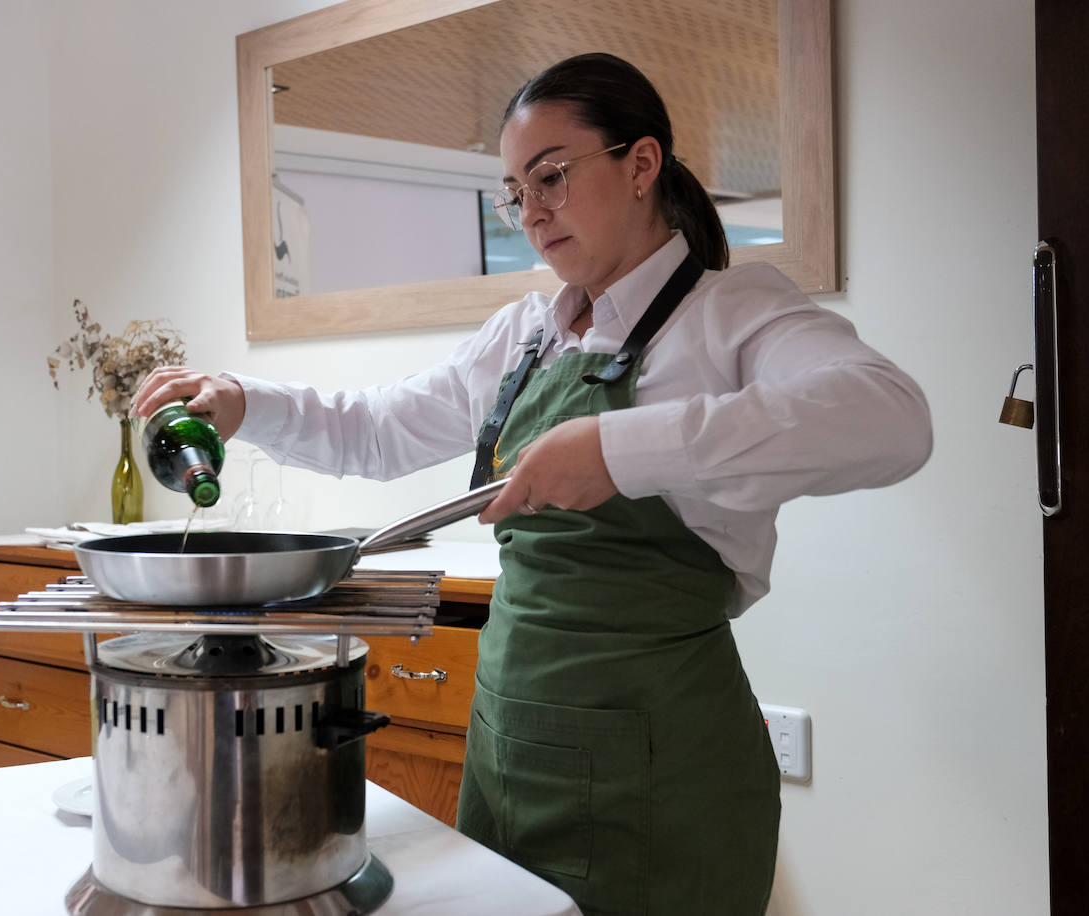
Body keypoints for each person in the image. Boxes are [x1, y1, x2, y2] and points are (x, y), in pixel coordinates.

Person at [133, 52, 932, 916]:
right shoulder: (525, 334)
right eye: (517, 191)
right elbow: (382, 428)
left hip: (661, 773)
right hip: (509, 749)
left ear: (641, 165)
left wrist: (618, 449)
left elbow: (890, 417)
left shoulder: (730, 314)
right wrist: (245, 402)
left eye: (551, 175)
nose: (533, 209)